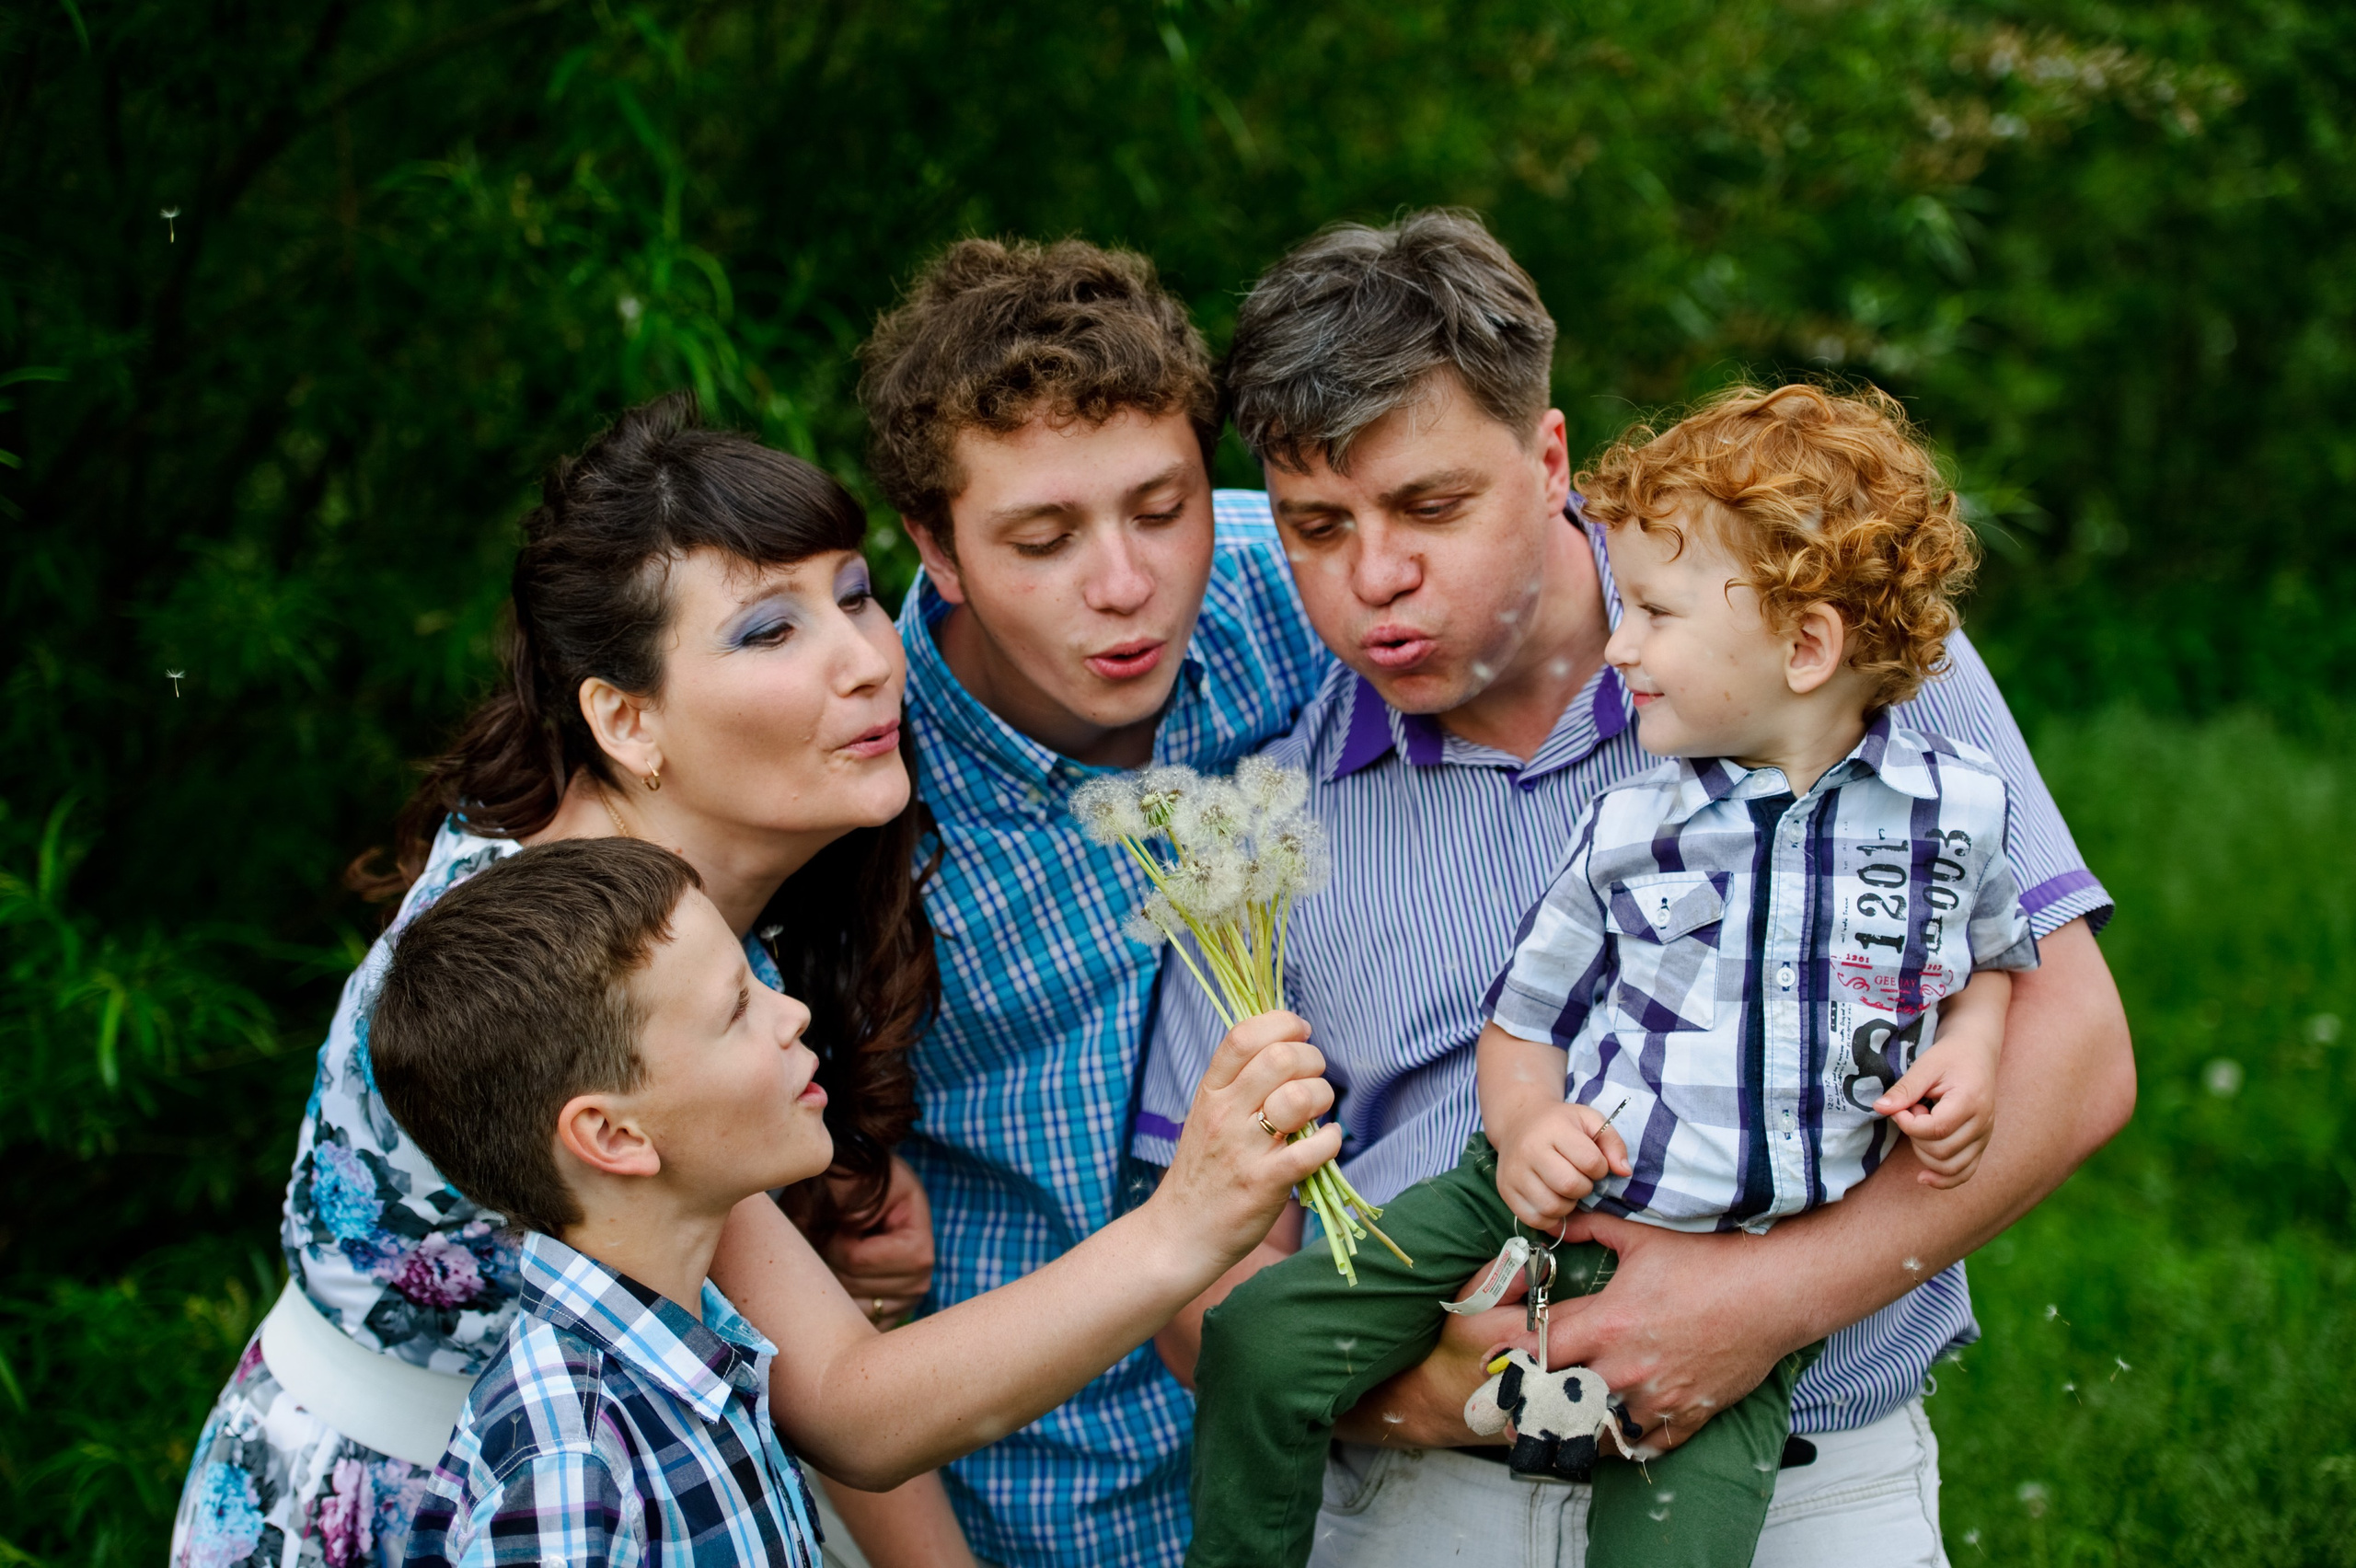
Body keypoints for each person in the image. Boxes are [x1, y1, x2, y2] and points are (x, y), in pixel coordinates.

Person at [1135, 210, 2132, 1565]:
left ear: (1549, 462)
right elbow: (1198, 1266)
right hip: (1412, 1505)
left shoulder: (1834, 652)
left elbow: (2077, 1055)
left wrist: (1761, 1304)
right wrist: (1447, 1402)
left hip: (1801, 1485)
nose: (1376, 578)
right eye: (1316, 527)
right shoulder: (1267, 813)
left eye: (1431, 506)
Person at [169, 396, 972, 1568]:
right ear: (626, 719)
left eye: (855, 593)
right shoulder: (571, 944)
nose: (864, 661)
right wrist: (1191, 1218)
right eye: (768, 632)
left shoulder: (703, 899)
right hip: (413, 1513)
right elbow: (851, 1406)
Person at [364, 836, 1339, 1564]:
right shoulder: (571, 1464)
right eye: (736, 1010)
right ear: (615, 1137)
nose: (791, 1014)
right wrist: (1185, 1217)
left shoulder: (701, 1353)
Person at [855, 236, 1334, 1565]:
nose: (1125, 586)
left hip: (1361, 1465)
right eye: (1043, 539)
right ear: (936, 550)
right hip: (1057, 1500)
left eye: (1161, 506)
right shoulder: (851, 785)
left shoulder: (1293, 594)